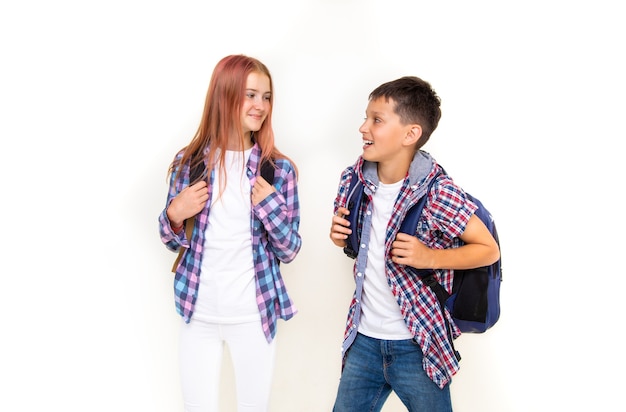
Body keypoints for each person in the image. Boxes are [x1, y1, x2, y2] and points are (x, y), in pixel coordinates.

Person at [329, 76, 500, 411]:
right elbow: (359, 247)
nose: (364, 127)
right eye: (366, 117)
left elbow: (488, 249)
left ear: (411, 134)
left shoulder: (437, 192)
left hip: (418, 344)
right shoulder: (354, 180)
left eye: (377, 120)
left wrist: (429, 257)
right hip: (363, 339)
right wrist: (340, 236)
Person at [158, 54, 302, 412]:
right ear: (225, 95)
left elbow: (290, 249)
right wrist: (175, 213)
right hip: (198, 312)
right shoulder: (188, 164)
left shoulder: (278, 170)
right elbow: (172, 238)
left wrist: (269, 206)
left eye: (266, 97)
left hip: (254, 315)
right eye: (251, 95)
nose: (261, 106)